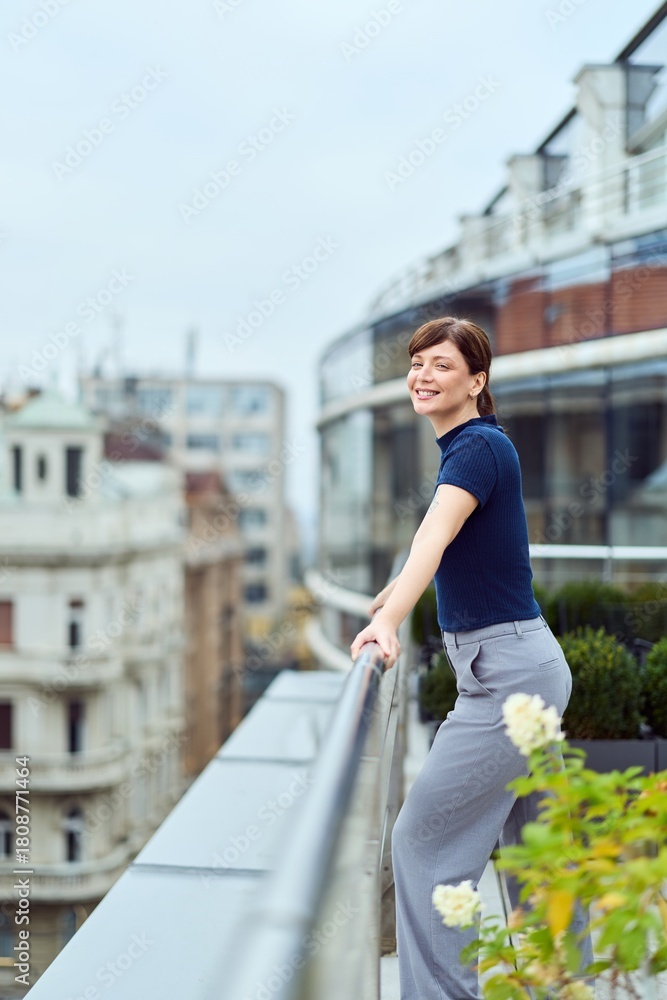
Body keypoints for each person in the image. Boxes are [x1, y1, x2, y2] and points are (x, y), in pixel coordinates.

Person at [350, 316, 593, 1000]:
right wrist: (394, 593)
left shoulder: (475, 449)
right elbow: (449, 549)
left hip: (505, 682)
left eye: (442, 365)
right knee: (532, 857)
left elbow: (433, 533)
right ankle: (565, 987)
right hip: (520, 670)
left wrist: (391, 620)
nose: (422, 375)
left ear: (476, 382)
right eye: (417, 363)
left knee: (423, 844)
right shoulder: (477, 447)